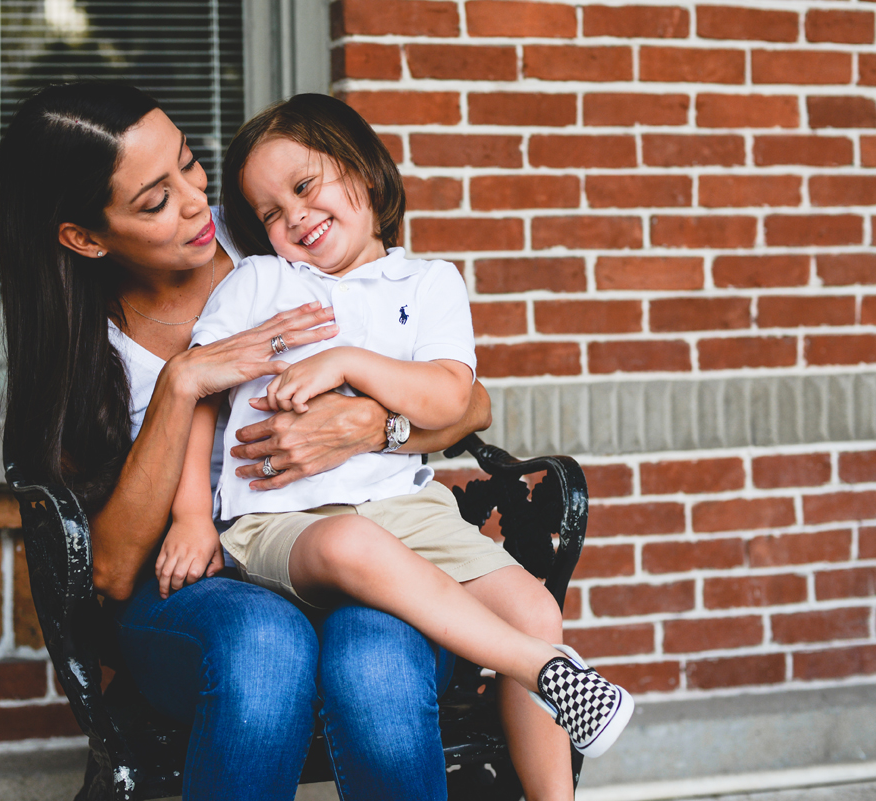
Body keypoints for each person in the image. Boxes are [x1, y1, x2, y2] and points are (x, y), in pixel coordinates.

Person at [0, 81, 496, 800]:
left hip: (346, 541)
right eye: (154, 200)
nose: (196, 201)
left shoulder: (272, 227)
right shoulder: (83, 344)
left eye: (188, 164)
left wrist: (374, 427)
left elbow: (471, 404)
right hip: (198, 587)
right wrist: (183, 380)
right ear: (86, 236)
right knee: (264, 641)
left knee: (378, 656)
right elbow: (111, 570)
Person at [160, 94, 633, 796]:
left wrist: (349, 362)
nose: (293, 217)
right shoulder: (261, 282)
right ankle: (545, 669)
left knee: (535, 610)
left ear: (367, 175)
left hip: (405, 511)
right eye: (269, 212)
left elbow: (449, 398)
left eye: (304, 185)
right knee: (353, 543)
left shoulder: (430, 282)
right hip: (282, 523)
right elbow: (201, 395)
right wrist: (193, 515)